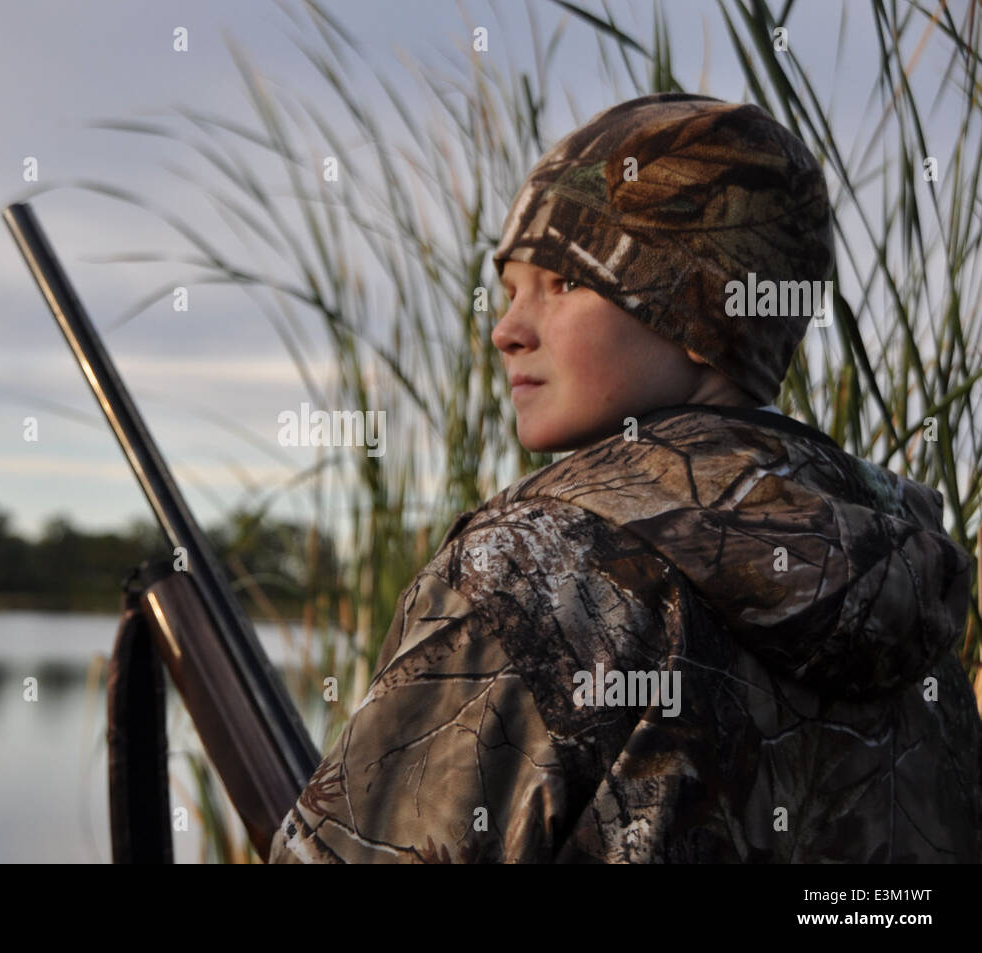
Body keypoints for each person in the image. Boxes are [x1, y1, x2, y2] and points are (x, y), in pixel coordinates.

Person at [268, 93, 981, 863]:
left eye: (563, 283)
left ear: (704, 309)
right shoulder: (910, 594)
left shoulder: (534, 570)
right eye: (510, 290)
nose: (506, 330)